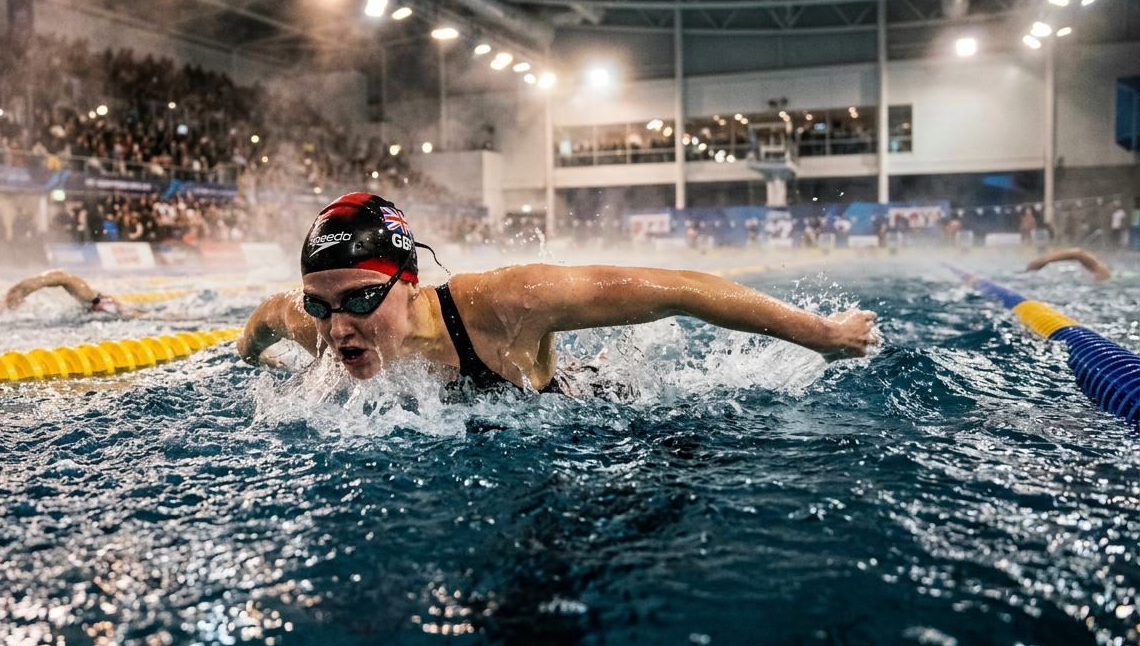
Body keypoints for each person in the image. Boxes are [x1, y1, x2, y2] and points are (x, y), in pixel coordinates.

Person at [237, 193, 879, 395]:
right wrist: (248, 357)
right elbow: (264, 319)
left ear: (409, 281)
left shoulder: (508, 303)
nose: (337, 329)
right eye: (320, 305)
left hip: (590, 412)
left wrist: (822, 336)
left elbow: (682, 290)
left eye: (358, 300)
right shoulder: (320, 324)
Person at [1, 269, 138, 315]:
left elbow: (60, 277)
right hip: (96, 303)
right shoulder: (86, 293)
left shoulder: (83, 291)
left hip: (97, 302)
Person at [1026, 248, 1111, 282]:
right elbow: (1078, 254)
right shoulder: (1103, 272)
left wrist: (1043, 261)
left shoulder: (1103, 272)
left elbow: (1078, 253)